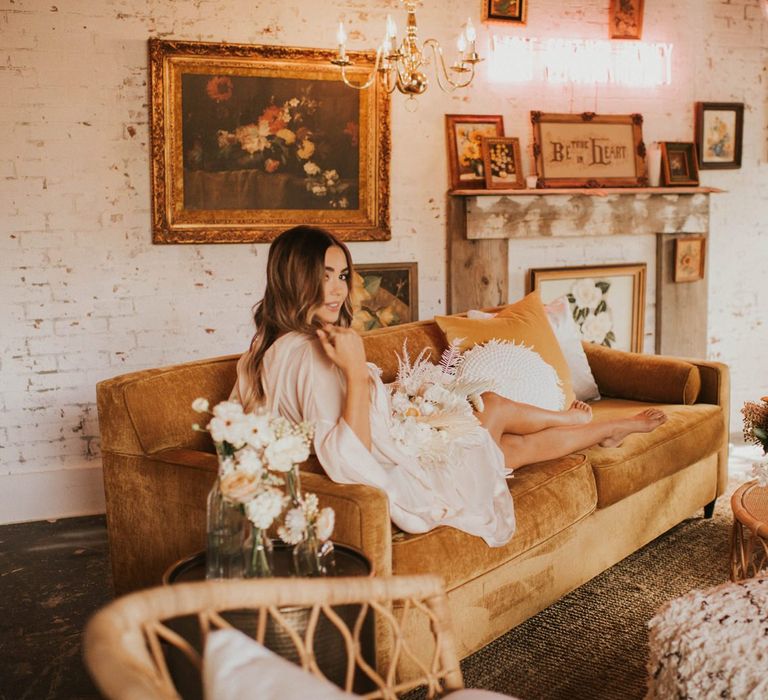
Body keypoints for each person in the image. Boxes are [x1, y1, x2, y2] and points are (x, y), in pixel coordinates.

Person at [233, 226, 667, 546]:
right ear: (293, 276)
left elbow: (256, 425)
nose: (337, 290)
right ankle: (591, 427)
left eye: (343, 276)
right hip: (387, 475)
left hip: (391, 442)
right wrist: (352, 372)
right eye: (324, 275)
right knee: (492, 416)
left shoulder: (266, 347)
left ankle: (600, 430)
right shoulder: (311, 352)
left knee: (499, 447)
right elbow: (351, 459)